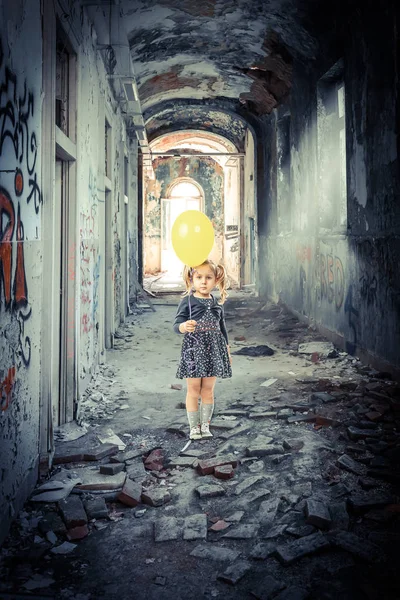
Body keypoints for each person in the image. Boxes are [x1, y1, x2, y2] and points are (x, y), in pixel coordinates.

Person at [173, 259, 232, 440]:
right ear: (192, 279)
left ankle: (205, 426)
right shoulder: (188, 302)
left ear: (216, 280)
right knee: (193, 390)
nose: (203, 281)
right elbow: (176, 325)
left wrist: (227, 352)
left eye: (208, 277)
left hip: (213, 352)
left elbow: (222, 329)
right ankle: (193, 427)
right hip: (193, 352)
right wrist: (184, 327)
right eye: (199, 277)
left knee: (207, 390)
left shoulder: (217, 303)